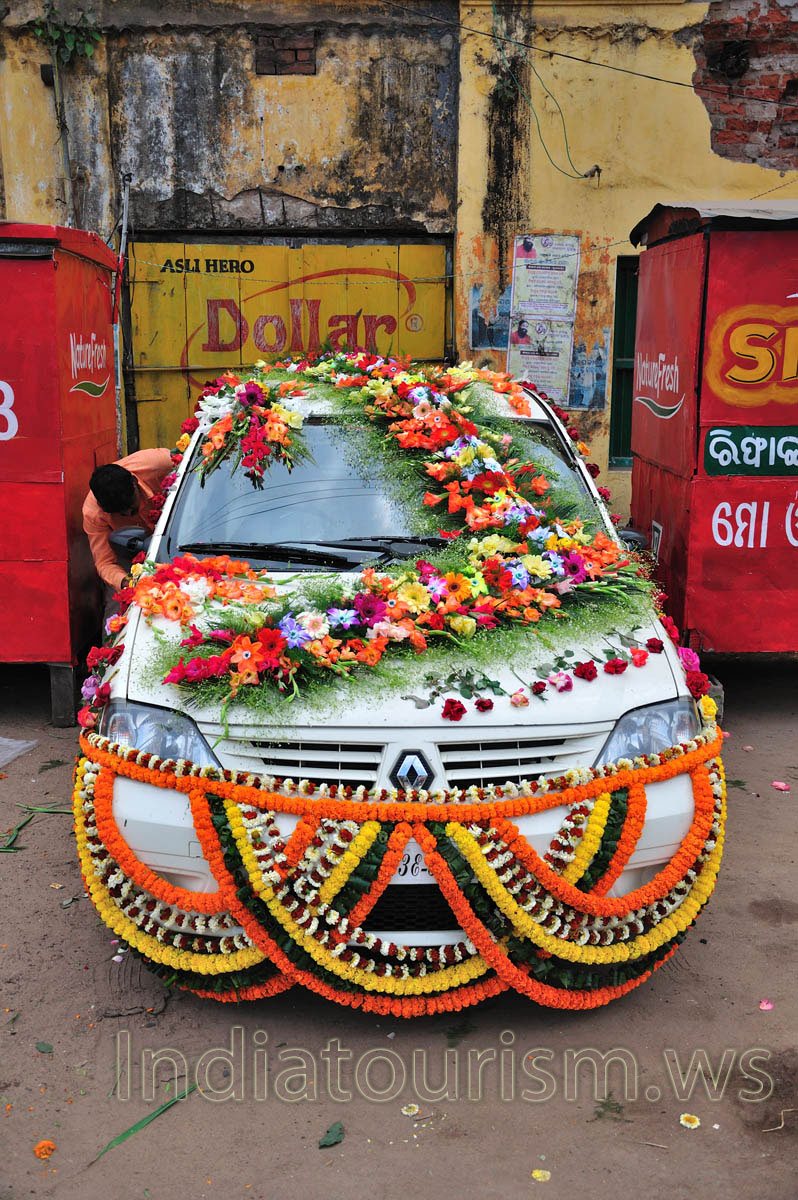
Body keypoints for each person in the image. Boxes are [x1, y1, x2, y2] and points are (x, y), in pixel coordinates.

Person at [82, 448, 172, 596]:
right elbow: (105, 563)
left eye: (131, 506)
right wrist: (128, 583)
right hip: (133, 562)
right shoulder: (94, 514)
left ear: (135, 482)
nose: (129, 514)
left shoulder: (159, 463)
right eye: (120, 514)